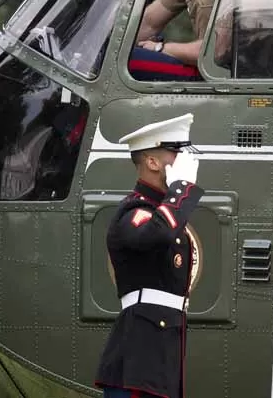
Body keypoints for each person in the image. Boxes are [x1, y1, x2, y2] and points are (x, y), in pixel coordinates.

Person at [94, 113, 204, 397]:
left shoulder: (161, 213)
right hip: (137, 361)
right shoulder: (133, 212)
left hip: (160, 358)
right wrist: (181, 190)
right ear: (152, 162)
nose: (182, 162)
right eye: (175, 153)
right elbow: (156, 235)